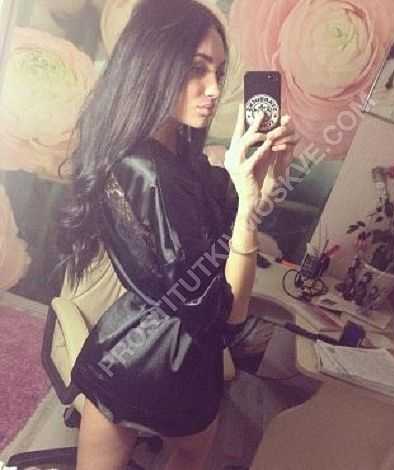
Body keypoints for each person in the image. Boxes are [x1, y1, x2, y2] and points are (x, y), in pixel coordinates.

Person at [57, 1, 296, 469]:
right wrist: (250, 207)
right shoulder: (146, 172)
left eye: (218, 72)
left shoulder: (179, 154)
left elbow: (222, 230)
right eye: (195, 68)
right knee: (191, 454)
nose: (214, 89)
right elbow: (229, 313)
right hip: (152, 361)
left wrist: (264, 184)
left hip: (159, 356)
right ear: (153, 63)